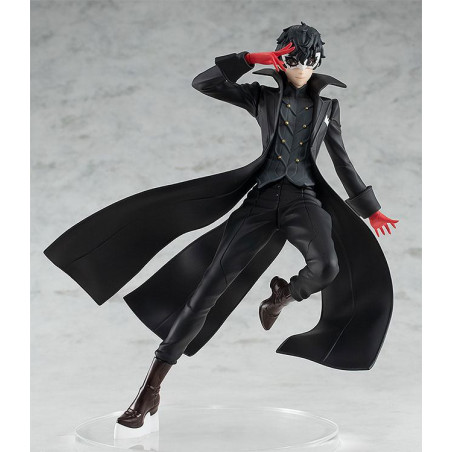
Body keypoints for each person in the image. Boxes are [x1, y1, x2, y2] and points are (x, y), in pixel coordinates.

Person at [44, 21, 398, 432]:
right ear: (280, 61)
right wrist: (249, 59)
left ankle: (281, 296)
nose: (301, 68)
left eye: (308, 61)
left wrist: (370, 209)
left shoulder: (328, 108)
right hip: (261, 201)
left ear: (319, 62)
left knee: (327, 266)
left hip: (304, 201)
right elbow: (205, 83)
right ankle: (149, 390)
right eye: (292, 61)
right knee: (204, 295)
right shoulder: (262, 97)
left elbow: (342, 161)